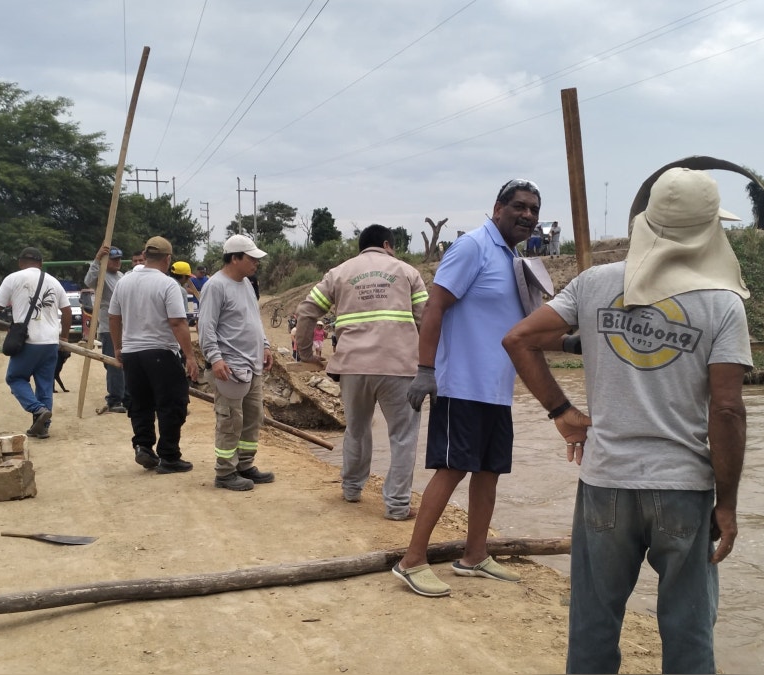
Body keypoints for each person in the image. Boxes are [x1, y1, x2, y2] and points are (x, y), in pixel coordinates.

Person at [502, 167, 751, 673]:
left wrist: (563, 412)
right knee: (688, 630)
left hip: (606, 482)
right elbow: (725, 410)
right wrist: (727, 503)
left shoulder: (595, 284)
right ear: (710, 230)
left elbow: (519, 339)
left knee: (594, 624)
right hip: (684, 487)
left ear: (648, 221)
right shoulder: (723, 303)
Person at [394, 179, 540, 598]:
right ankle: (412, 560)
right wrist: (425, 369)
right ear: (498, 207)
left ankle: (475, 555)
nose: (527, 215)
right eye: (519, 206)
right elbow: (435, 306)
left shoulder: (512, 258)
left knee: (490, 470)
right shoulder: (472, 247)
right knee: (453, 467)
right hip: (461, 383)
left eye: (534, 209)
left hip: (497, 388)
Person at [294, 224, 428, 520]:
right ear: (387, 244)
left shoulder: (339, 273)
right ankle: (396, 506)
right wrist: (432, 365)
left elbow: (306, 312)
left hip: (352, 368)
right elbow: (428, 319)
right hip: (399, 368)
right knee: (403, 436)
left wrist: (305, 354)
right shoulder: (407, 272)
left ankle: (352, 489)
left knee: (357, 429)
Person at [108, 236, 201, 475]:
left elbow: (114, 317)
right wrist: (190, 357)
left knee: (140, 403)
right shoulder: (167, 284)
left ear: (145, 256)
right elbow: (178, 322)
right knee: (173, 403)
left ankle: (144, 446)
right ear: (167, 259)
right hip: (160, 352)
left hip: (132, 354)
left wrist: (118, 347)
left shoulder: (124, 282)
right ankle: (169, 455)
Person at [0, 247, 69, 439]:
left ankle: (37, 410)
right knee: (44, 384)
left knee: (15, 378)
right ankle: (43, 427)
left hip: (28, 340)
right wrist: (64, 338)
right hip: (50, 342)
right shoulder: (53, 281)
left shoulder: (14, 278)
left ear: (20, 262)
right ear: (41, 263)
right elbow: (67, 310)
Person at [198, 234, 275, 491]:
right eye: (251, 258)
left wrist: (264, 345)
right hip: (229, 367)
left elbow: (254, 320)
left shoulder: (246, 284)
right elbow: (206, 327)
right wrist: (215, 358)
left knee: (253, 417)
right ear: (235, 258)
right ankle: (225, 471)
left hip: (251, 366)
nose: (256, 263)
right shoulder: (216, 286)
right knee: (230, 420)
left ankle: (245, 464)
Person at [84, 245, 126, 414]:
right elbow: (88, 280)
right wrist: (97, 258)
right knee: (113, 364)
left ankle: (127, 397)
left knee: (125, 362)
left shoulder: (121, 277)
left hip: (125, 326)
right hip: (109, 326)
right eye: (113, 259)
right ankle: (115, 399)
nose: (117, 262)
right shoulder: (102, 275)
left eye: (118, 259)